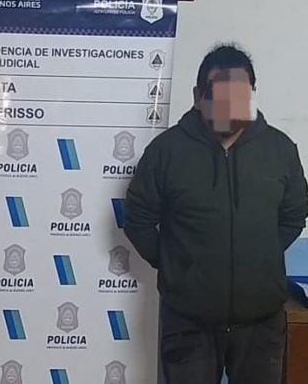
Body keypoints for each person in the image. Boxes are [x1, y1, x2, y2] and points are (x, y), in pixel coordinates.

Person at [124, 44, 308, 384]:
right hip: (188, 326)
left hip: (261, 324)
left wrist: (260, 256)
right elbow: (138, 219)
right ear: (198, 97)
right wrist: (178, 264)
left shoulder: (280, 150)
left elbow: (294, 215)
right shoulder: (166, 152)